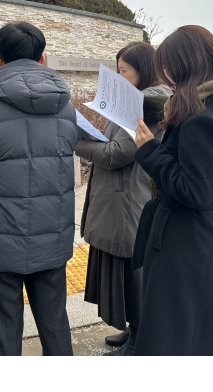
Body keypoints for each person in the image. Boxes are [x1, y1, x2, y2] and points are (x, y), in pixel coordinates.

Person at [0, 21, 78, 356]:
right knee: (55, 321)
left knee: (4, 327)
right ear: (42, 58)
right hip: (53, 231)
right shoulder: (66, 108)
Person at [132, 25, 213, 355]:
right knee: (203, 327)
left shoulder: (202, 117)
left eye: (167, 66)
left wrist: (149, 149)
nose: (164, 75)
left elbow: (194, 192)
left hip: (185, 240)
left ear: (185, 64)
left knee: (176, 331)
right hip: (205, 236)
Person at [75, 41, 171, 356]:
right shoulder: (135, 101)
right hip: (121, 198)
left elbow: (117, 154)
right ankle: (133, 331)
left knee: (133, 275)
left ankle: (139, 340)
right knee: (126, 272)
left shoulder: (145, 106)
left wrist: (77, 141)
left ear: (143, 70)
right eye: (117, 70)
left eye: (124, 71)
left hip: (129, 201)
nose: (119, 77)